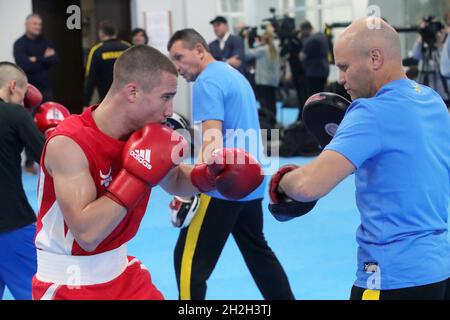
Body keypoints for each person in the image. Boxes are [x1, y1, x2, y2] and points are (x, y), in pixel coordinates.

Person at [32, 44, 263, 300]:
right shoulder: (69, 143)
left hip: (123, 273)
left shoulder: (143, 134)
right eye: (166, 96)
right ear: (132, 91)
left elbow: (174, 179)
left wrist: (209, 177)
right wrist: (136, 175)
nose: (169, 110)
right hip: (70, 284)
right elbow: (88, 234)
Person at [269, 17, 450, 300]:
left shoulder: (369, 112)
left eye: (344, 67)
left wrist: (281, 179)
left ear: (375, 58)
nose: (340, 78)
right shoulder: (433, 101)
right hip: (439, 271)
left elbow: (307, 186)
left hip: (391, 276)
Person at [168, 28, 294, 300]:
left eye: (179, 57)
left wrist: (188, 189)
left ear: (199, 50)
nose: (177, 67)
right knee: (258, 253)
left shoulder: (207, 82)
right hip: (252, 182)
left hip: (222, 186)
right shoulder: (233, 75)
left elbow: (211, 143)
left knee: (188, 263)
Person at [0, 62, 45, 300]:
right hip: (12, 227)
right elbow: (49, 158)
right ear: (12, 86)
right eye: (23, 95)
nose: (23, 102)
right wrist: (59, 132)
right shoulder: (14, 113)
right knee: (36, 295)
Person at [83, 21, 131, 108]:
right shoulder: (127, 47)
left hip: (106, 98)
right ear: (116, 32)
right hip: (127, 97)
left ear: (101, 33)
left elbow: (90, 78)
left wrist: (86, 103)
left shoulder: (97, 50)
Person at [14, 14, 59, 102]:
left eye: (40, 24)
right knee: (29, 115)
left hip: (46, 90)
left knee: (48, 115)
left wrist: (36, 59)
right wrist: (45, 59)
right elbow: (25, 66)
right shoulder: (19, 44)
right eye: (35, 24)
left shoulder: (45, 41)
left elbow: (55, 59)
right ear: (26, 24)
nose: (38, 27)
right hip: (27, 90)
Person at [243, 30, 281, 126]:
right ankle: (273, 128)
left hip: (263, 81)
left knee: (265, 107)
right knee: (272, 104)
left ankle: (267, 129)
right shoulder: (275, 49)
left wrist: (246, 39)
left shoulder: (263, 50)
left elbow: (246, 54)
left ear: (264, 39)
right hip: (273, 81)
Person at [299, 21, 330, 103]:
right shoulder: (323, 36)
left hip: (313, 73)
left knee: (313, 99)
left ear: (305, 30)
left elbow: (302, 56)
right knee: (321, 96)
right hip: (324, 70)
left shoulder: (311, 40)